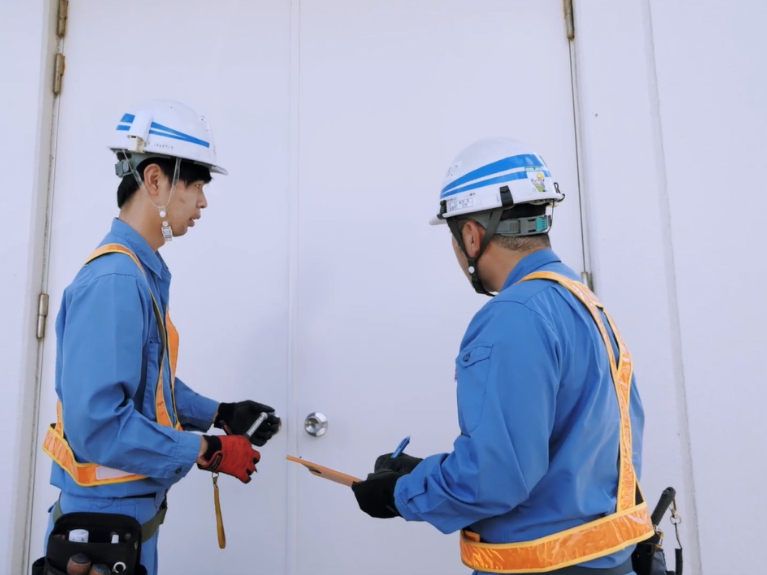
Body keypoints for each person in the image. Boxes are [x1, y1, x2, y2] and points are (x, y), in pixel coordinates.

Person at [352, 138, 655, 575]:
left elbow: (494, 477)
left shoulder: (514, 315)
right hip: (605, 561)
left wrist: (400, 494)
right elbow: (563, 447)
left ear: (471, 235)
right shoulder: (583, 303)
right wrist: (429, 472)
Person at [41, 100, 281, 575]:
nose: (203, 202)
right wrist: (206, 450)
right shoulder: (115, 282)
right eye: (196, 185)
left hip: (122, 527)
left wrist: (218, 413)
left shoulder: (139, 272)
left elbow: (147, 382)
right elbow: (99, 425)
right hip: (101, 532)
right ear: (155, 181)